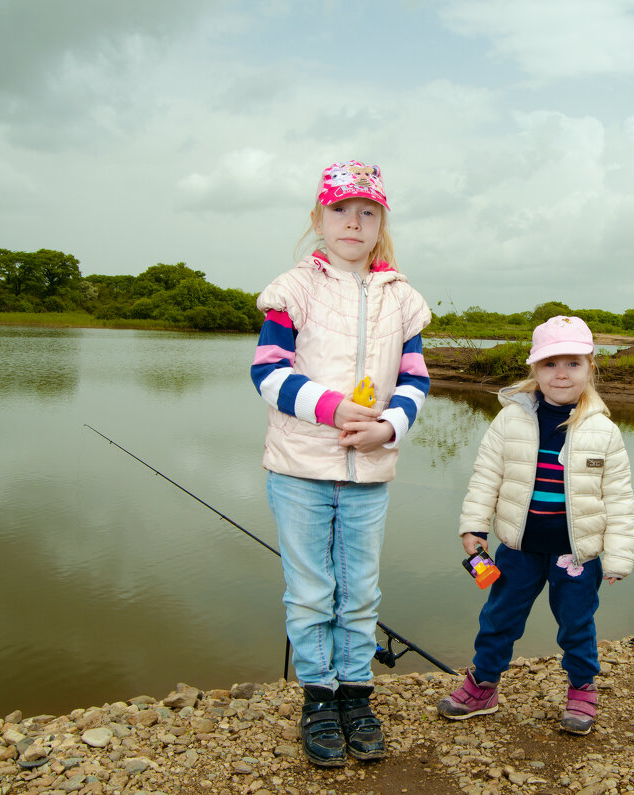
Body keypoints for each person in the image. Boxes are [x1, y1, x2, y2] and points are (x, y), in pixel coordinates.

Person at [251, 160, 431, 767]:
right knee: (309, 593)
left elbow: (415, 382)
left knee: (359, 593)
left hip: (369, 471)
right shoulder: (292, 289)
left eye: (367, 211)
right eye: (340, 209)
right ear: (318, 218)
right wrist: (331, 410)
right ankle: (318, 699)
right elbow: (268, 372)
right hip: (299, 469)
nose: (353, 221)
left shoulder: (403, 300)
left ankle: (357, 693)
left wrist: (387, 426)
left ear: (381, 223)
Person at [437, 315, 634, 735]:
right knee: (499, 618)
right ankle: (484, 684)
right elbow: (485, 476)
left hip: (577, 554)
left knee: (577, 623)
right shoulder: (510, 420)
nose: (561, 374)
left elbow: (618, 497)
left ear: (590, 366)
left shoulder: (604, 430)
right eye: (550, 364)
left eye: (572, 364)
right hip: (518, 549)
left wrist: (618, 556)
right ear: (535, 369)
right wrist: (473, 526)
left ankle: (582, 687)